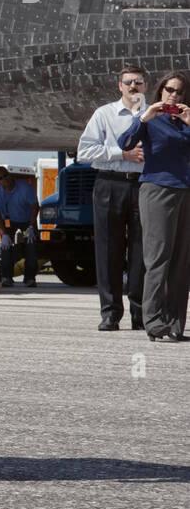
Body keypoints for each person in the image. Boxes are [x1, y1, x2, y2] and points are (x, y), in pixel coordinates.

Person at [119, 71, 190, 342]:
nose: (173, 95)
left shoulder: (186, 122)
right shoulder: (150, 121)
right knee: (158, 258)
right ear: (160, 92)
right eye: (169, 89)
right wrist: (143, 118)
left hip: (186, 192)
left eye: (179, 91)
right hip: (157, 190)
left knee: (181, 261)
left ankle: (175, 325)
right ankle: (153, 320)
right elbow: (124, 144)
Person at [78, 66, 148, 331]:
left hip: (144, 185)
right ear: (120, 86)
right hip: (110, 183)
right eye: (128, 82)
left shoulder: (153, 114)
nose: (133, 87)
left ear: (145, 85)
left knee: (143, 251)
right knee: (108, 250)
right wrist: (122, 153)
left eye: (138, 82)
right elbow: (85, 150)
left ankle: (140, 313)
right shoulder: (104, 114)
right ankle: (110, 313)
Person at [0, 166, 38, 287]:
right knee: (5, 247)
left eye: (5, 175)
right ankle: (6, 277)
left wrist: (31, 226)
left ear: (9, 174)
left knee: (30, 246)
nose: (5, 179)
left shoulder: (25, 188)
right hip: (9, 222)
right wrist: (4, 232)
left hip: (27, 222)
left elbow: (35, 207)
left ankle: (30, 278)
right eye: (1, 178)